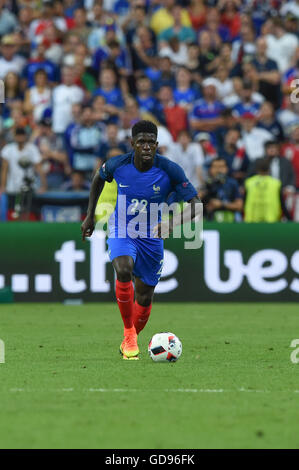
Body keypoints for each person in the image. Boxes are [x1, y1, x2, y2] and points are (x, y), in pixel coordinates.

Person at [81, 120, 201, 360]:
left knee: (144, 296)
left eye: (151, 142)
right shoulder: (118, 164)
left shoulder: (170, 169)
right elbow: (98, 178)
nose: (146, 146)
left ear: (157, 145)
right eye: (141, 142)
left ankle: (131, 335)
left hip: (152, 236)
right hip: (122, 228)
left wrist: (172, 223)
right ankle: (129, 334)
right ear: (132, 144)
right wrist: (90, 216)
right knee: (123, 270)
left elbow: (196, 206)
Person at [244, 157, 291, 222]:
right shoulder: (276, 183)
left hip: (252, 220)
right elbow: (282, 203)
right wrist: (289, 218)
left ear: (257, 169)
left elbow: (245, 201)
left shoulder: (249, 182)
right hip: (271, 220)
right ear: (269, 169)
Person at [199, 157, 243, 222]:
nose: (218, 170)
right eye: (215, 167)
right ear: (210, 169)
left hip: (228, 223)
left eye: (221, 167)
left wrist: (222, 204)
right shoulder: (207, 183)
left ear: (226, 169)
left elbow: (239, 206)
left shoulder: (232, 183)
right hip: (209, 222)